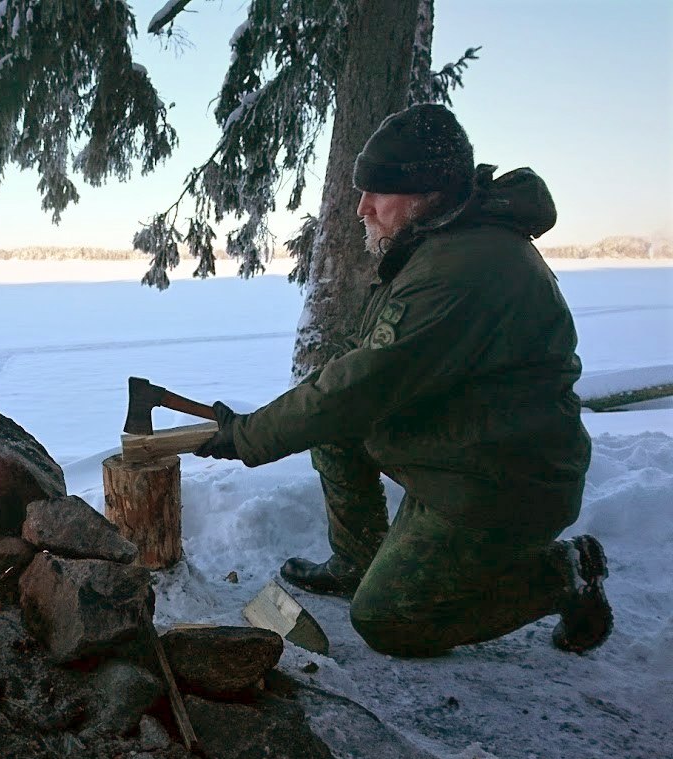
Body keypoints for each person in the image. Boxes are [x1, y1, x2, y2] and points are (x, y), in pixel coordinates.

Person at [195, 103, 611, 657]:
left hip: (502, 485)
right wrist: (256, 423)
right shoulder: (440, 246)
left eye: (379, 191)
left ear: (426, 193)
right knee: (336, 428)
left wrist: (247, 438)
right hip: (462, 449)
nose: (362, 207)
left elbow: (363, 385)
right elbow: (354, 367)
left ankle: (561, 573)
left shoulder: (462, 267)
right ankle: (358, 562)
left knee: (389, 622)